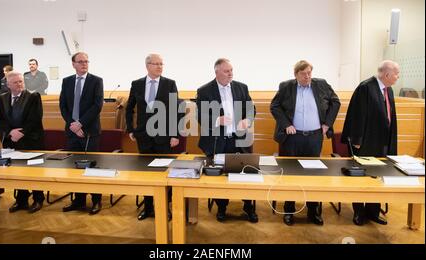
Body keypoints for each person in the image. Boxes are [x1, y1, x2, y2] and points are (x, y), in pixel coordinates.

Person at [270, 60, 340, 226]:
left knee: (313, 175)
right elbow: (274, 106)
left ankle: (313, 211)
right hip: (292, 138)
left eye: (309, 72)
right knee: (290, 175)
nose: (307, 76)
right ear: (296, 75)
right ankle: (289, 210)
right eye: (303, 74)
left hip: (315, 137)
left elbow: (335, 102)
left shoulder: (321, 85)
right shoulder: (286, 86)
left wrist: (327, 124)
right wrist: (286, 124)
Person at [196, 58, 258, 223]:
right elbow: (200, 116)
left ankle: (248, 206)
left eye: (231, 70)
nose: (230, 73)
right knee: (219, 177)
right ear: (216, 72)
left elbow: (252, 109)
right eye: (226, 71)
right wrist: (217, 120)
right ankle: (222, 207)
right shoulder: (204, 90)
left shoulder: (241, 87)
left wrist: (248, 120)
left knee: (247, 173)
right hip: (217, 142)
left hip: (239, 140)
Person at [341, 60, 400, 226]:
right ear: (387, 74)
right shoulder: (366, 87)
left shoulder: (389, 90)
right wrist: (357, 141)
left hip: (382, 143)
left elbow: (389, 117)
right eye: (396, 73)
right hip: (366, 142)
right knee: (362, 178)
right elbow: (357, 115)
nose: (398, 76)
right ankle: (359, 212)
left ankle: (373, 212)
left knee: (378, 178)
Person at [125, 53, 181, 220]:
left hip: (163, 136)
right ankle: (148, 207)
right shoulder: (137, 84)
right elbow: (129, 108)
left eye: (161, 64)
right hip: (143, 136)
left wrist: (175, 134)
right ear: (147, 66)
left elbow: (176, 110)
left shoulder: (170, 84)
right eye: (156, 64)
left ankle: (165, 207)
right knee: (146, 173)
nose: (159, 67)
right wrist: (131, 129)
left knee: (163, 172)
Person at [0, 71, 45, 213]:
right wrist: (9, 132)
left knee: (34, 172)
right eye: (15, 82)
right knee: (17, 171)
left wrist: (20, 133)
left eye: (21, 81)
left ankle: (38, 199)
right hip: (11, 142)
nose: (19, 84)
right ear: (8, 84)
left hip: (31, 141)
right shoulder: (1, 98)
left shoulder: (33, 96)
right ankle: (21, 200)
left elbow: (35, 118)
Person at [59, 52, 104, 215]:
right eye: (81, 61)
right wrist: (73, 125)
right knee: (74, 168)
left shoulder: (96, 81)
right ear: (73, 64)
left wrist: (80, 124)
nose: (84, 64)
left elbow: (97, 106)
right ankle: (78, 200)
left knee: (92, 167)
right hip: (72, 132)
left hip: (89, 132)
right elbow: (63, 105)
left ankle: (96, 201)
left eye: (86, 61)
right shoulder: (67, 81)